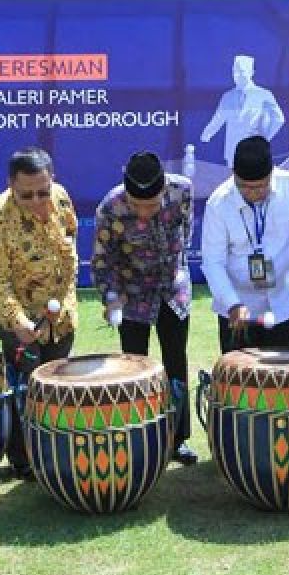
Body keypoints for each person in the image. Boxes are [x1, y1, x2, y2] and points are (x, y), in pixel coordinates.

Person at [0, 147, 79, 479]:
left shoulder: (61, 198)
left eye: (43, 192)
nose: (38, 200)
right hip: (17, 317)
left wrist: (64, 300)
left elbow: (71, 249)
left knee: (57, 384)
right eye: (27, 194)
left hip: (59, 314)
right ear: (10, 184)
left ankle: (55, 450)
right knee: (25, 386)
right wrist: (18, 323)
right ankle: (22, 459)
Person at [92, 151, 197, 464]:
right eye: (137, 206)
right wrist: (111, 297)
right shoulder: (109, 208)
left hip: (172, 286)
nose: (143, 212)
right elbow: (102, 260)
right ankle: (139, 436)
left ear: (164, 190)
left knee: (175, 361)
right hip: (131, 292)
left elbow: (186, 233)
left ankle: (178, 439)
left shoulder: (183, 192)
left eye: (151, 205)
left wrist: (174, 268)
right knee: (134, 365)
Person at [201, 135, 289, 353]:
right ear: (234, 175)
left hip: (283, 303)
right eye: (245, 188)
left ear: (272, 173)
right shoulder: (218, 202)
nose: (253, 194)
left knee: (282, 380)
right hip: (238, 308)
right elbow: (213, 262)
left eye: (261, 187)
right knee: (239, 382)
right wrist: (233, 303)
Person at [200, 55, 286, 167]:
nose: (237, 75)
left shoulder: (263, 94)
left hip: (254, 152)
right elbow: (218, 119)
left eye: (241, 71)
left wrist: (264, 138)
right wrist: (206, 135)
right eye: (235, 71)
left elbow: (279, 119)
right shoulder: (228, 96)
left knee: (253, 181)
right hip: (233, 153)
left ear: (251, 72)